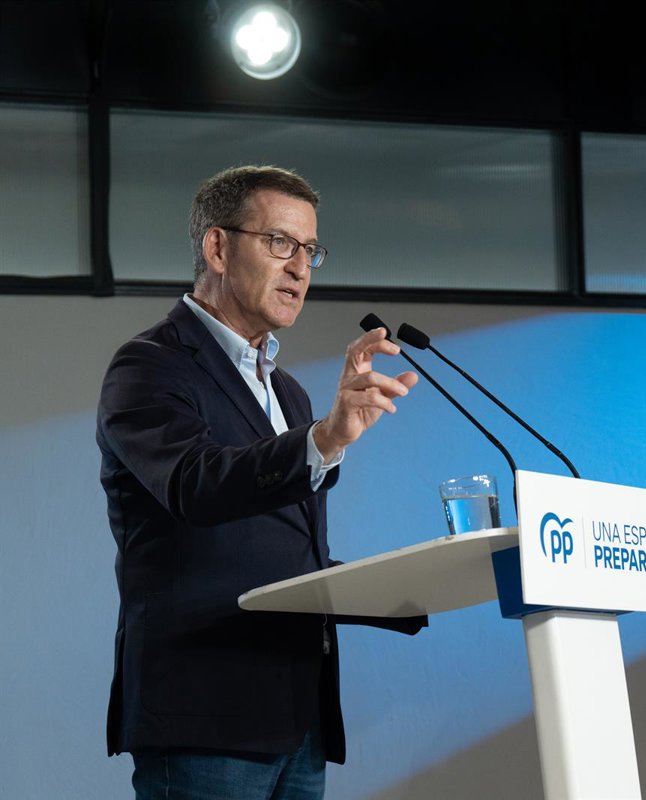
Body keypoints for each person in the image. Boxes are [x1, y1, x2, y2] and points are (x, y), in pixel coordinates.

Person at [96, 165, 425, 799]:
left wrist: (404, 586)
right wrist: (323, 440)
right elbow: (195, 483)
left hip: (297, 715)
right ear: (218, 248)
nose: (301, 269)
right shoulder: (149, 366)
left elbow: (277, 550)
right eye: (280, 243)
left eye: (310, 250)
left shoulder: (289, 393)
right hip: (205, 713)